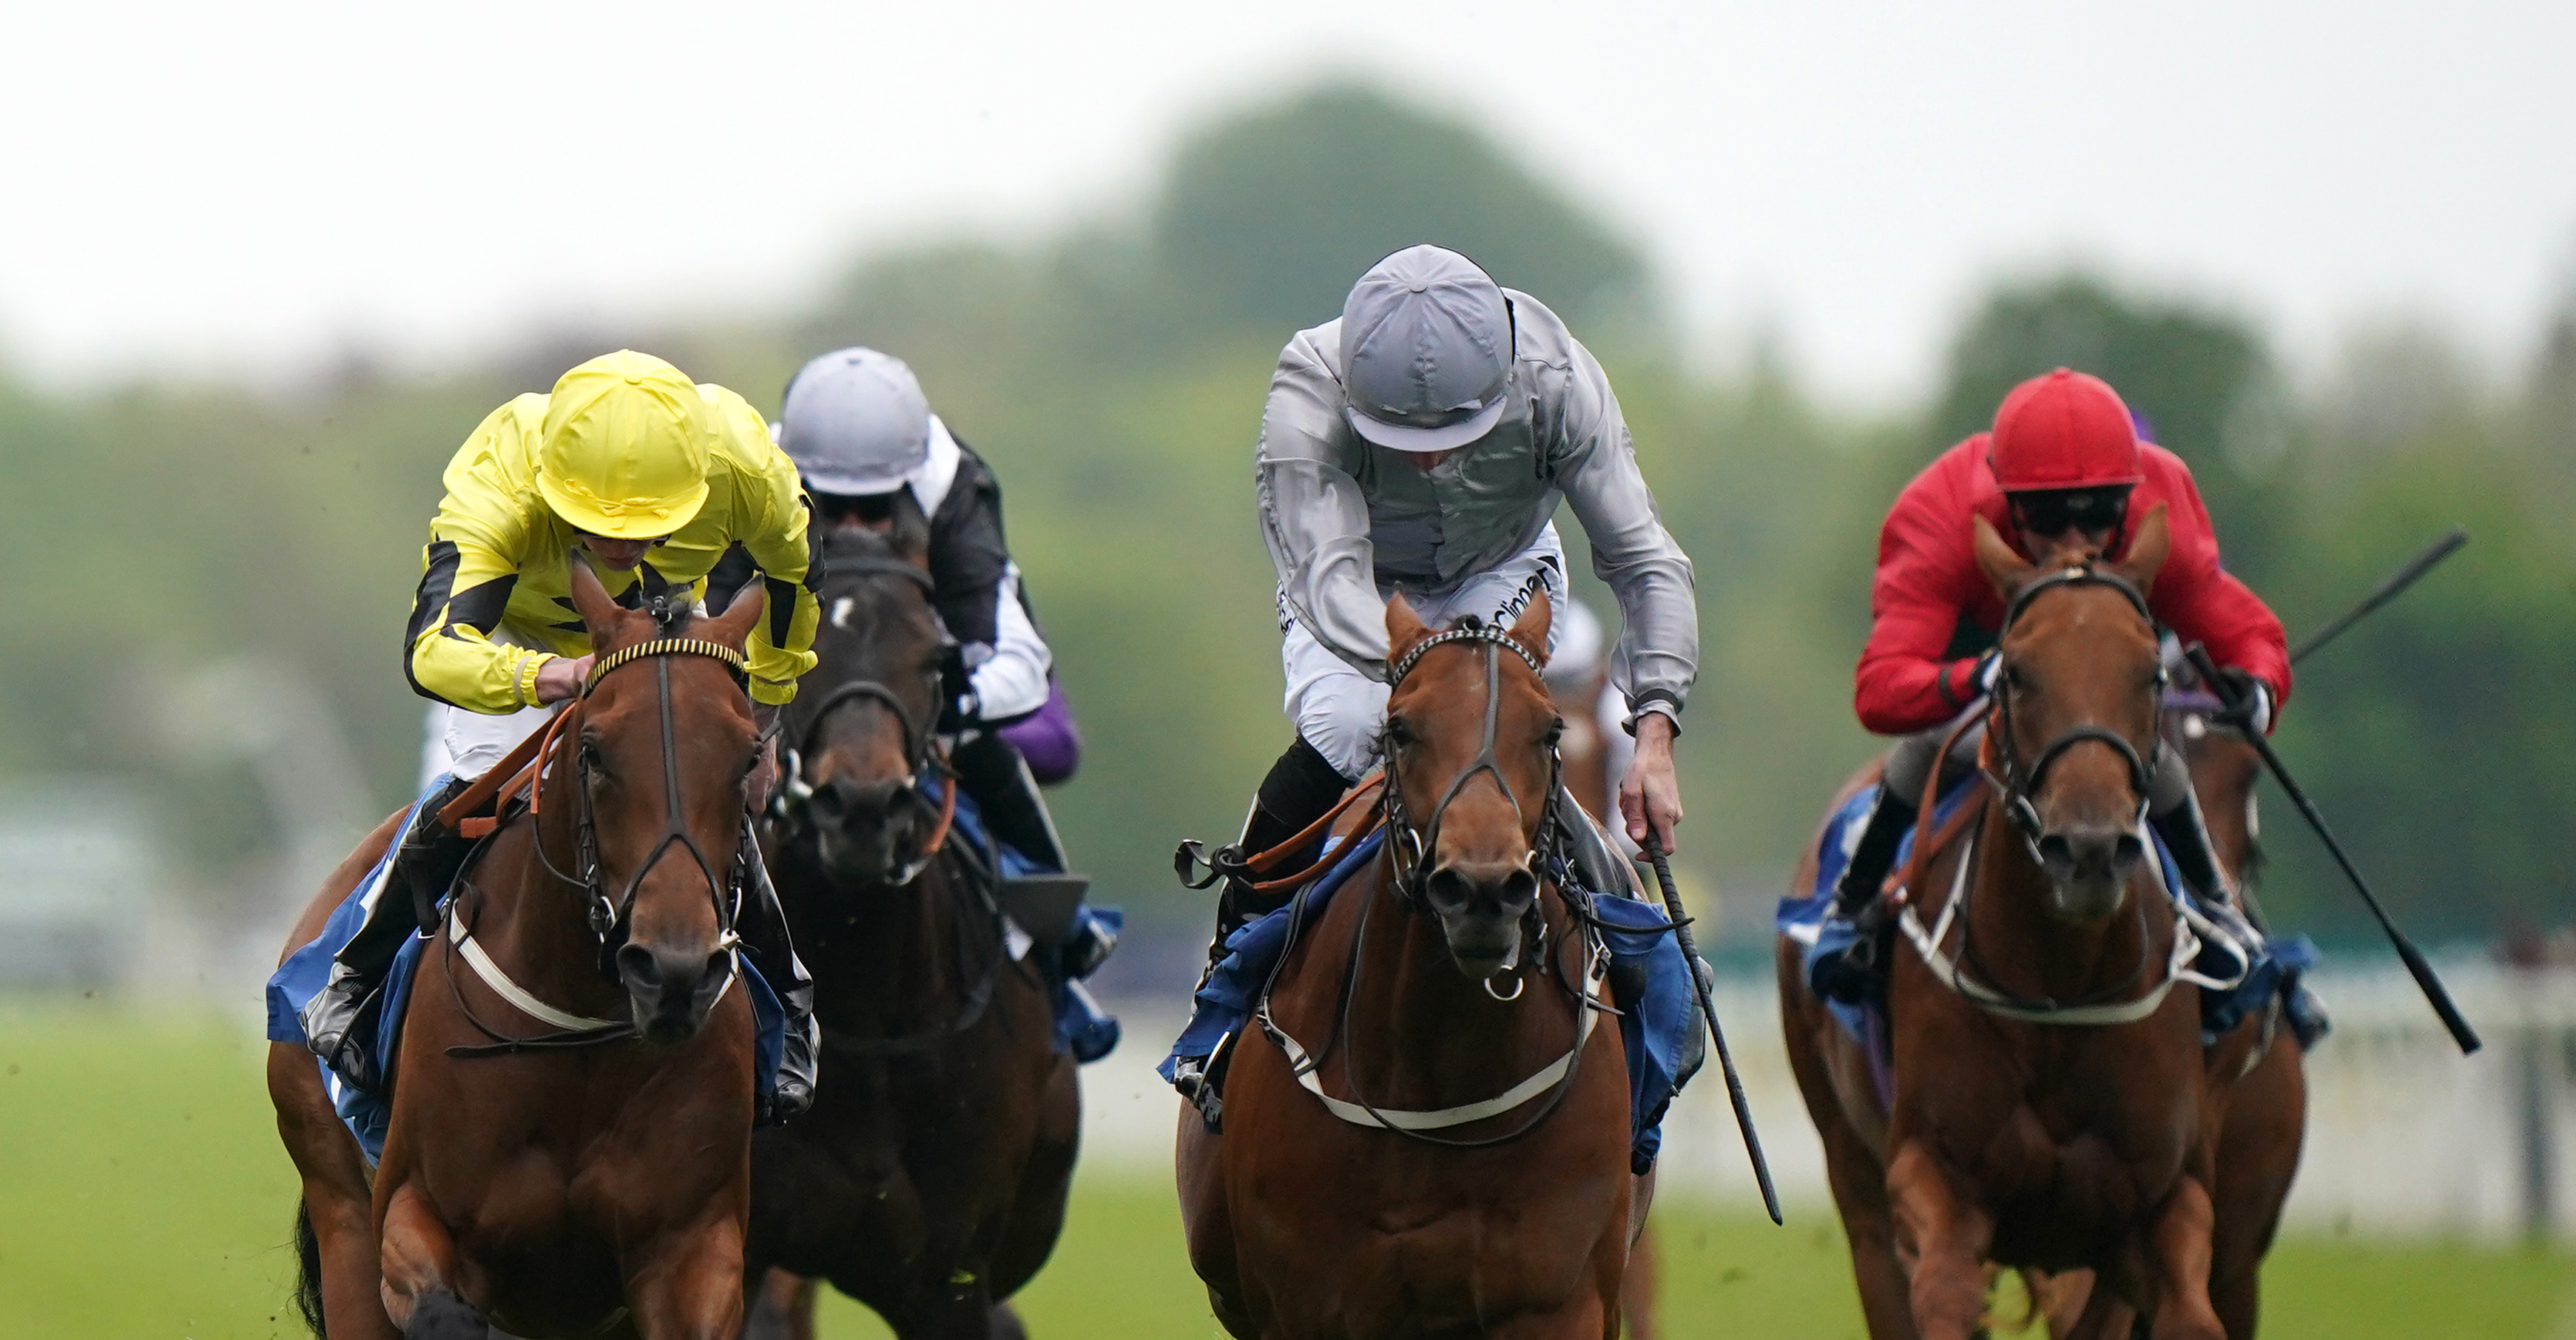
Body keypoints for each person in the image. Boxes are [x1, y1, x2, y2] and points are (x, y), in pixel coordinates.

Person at [303, 349, 821, 1120]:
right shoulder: (499, 478)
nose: (620, 543)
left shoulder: (746, 463)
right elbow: (433, 650)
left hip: (667, 643)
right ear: (551, 488)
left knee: (699, 802)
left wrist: (765, 721)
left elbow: (793, 584)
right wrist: (546, 678)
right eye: (595, 525)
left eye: (649, 526)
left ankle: (791, 1004)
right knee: (475, 788)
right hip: (525, 653)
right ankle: (356, 976)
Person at [1221, 243, 1698, 942]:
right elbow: (1327, 577)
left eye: (1453, 435)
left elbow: (1645, 558)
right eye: (1397, 437)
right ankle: (1228, 968)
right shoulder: (1307, 387)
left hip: (1504, 567)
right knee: (1350, 728)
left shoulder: (1558, 376)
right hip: (1359, 589)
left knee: (1508, 731)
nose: (1427, 459)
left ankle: (1642, 976)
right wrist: (1430, 667)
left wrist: (1655, 735)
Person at [1813, 367, 2290, 998]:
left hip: (2096, 667)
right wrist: (1978, 675)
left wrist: (2256, 689)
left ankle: (2219, 912)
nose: (2074, 543)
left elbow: (2249, 633)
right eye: (2045, 518)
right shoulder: (1941, 512)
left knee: (2154, 753)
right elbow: (1881, 686)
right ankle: (1850, 915)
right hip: (1977, 657)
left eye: (2097, 519)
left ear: (2130, 496)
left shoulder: (2162, 498)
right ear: (2006, 502)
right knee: (1926, 746)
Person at [771, 346, 1110, 976]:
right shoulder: (750, 483)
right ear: (799, 479)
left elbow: (1018, 661)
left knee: (1046, 747)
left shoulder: (954, 490)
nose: (853, 525)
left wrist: (944, 707)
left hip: (927, 662)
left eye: (874, 508)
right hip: (798, 674)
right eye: (829, 505)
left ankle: (1056, 930)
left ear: (908, 481)